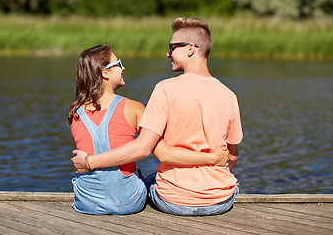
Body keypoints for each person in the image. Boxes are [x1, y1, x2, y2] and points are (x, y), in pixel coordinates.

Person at [67, 45, 229, 215]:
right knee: (154, 179)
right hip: (128, 201)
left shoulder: (74, 114)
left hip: (87, 202)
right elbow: (163, 152)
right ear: (104, 73)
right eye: (118, 63)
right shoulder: (133, 108)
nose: (123, 68)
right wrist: (213, 157)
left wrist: (89, 162)